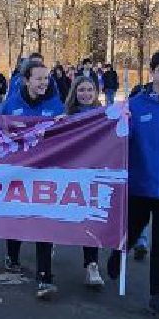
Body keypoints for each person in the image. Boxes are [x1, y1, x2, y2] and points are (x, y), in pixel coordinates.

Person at [106, 50, 159, 319]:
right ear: (152, 72)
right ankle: (118, 256)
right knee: (130, 231)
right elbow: (115, 137)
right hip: (140, 186)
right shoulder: (135, 106)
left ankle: (157, 296)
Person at [0, 59, 66, 300]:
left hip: (45, 173)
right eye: (38, 78)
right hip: (17, 173)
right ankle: (12, 256)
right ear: (26, 80)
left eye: (46, 79)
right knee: (17, 217)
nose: (43, 83)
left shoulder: (55, 105)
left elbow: (66, 135)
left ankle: (44, 278)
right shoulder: (10, 105)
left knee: (43, 222)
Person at [65, 75, 109, 290]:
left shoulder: (104, 116)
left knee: (90, 220)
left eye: (89, 90)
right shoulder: (65, 116)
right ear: (75, 92)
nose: (85, 94)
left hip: (93, 175)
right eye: (81, 90)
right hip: (69, 174)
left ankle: (92, 265)